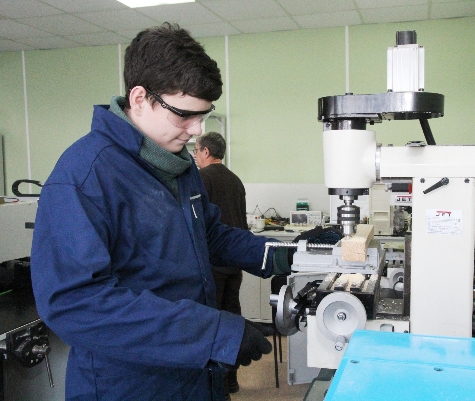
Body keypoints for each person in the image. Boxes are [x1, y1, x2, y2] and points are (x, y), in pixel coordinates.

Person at [30, 23, 288, 401]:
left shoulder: (177, 164)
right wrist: (214, 334)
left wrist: (280, 254)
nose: (196, 130)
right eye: (184, 115)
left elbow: (209, 235)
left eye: (203, 115)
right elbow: (75, 304)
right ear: (139, 98)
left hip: (195, 373)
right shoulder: (85, 175)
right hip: (129, 384)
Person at [193, 132, 246, 396]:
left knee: (211, 324)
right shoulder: (235, 180)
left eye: (195, 150)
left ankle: (217, 386)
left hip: (213, 264)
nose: (194, 156)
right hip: (235, 263)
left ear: (205, 152)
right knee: (232, 319)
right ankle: (231, 379)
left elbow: (197, 223)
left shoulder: (202, 178)